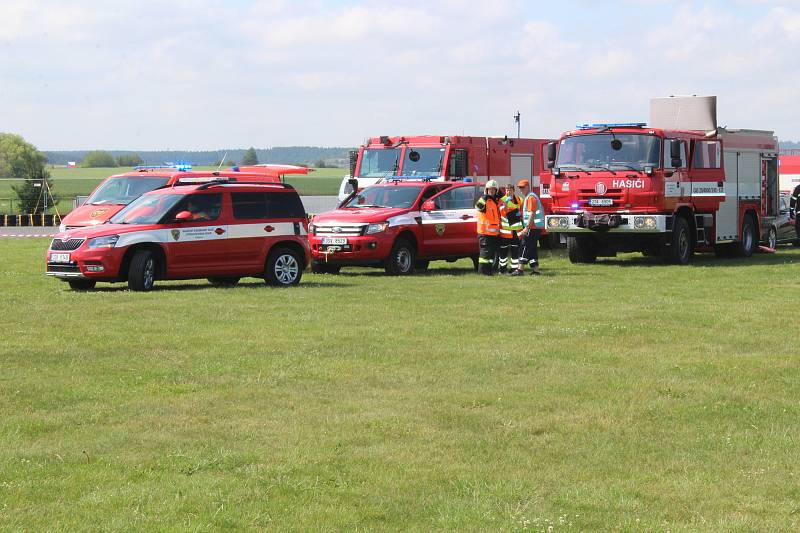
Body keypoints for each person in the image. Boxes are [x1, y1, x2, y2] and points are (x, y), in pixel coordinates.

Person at [516, 179, 545, 275]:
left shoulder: (530, 198)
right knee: (532, 249)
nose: (521, 190)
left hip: (532, 228)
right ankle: (536, 271)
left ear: (528, 187)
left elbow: (532, 214)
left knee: (525, 247)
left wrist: (527, 227)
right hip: (535, 227)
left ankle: (520, 270)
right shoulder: (531, 197)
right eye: (519, 188)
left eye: (522, 188)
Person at [475, 180, 501, 275]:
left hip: (493, 234)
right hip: (485, 234)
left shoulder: (494, 202)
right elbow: (477, 207)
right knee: (484, 256)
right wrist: (484, 198)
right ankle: (483, 273)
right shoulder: (485, 199)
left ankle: (488, 272)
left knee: (490, 257)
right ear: (486, 190)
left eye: (494, 190)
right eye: (490, 190)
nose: (492, 192)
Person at [498, 183, 524, 275]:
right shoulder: (502, 200)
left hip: (516, 231)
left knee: (515, 250)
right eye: (507, 190)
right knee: (503, 251)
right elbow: (502, 212)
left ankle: (513, 269)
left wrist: (518, 214)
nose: (508, 191)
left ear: (513, 190)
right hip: (505, 231)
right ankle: (502, 269)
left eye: (510, 190)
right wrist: (506, 204)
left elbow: (522, 212)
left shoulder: (519, 199)